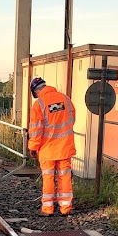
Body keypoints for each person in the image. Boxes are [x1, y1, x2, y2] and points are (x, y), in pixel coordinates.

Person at [28, 77, 76, 216]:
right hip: (65, 146)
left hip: (47, 149)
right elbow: (72, 119)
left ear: (35, 91)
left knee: (48, 178)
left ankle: (48, 209)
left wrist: (33, 147)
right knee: (65, 177)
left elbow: (36, 129)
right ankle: (65, 208)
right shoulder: (65, 99)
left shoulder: (39, 104)